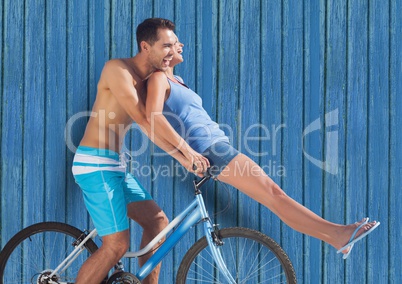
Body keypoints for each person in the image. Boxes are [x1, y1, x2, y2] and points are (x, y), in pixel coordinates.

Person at [144, 38, 380, 260]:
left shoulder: (178, 80)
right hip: (211, 151)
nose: (180, 45)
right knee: (274, 194)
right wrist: (188, 154)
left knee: (274, 196)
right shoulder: (158, 78)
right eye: (173, 43)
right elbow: (153, 117)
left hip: (217, 147)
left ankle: (335, 237)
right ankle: (338, 234)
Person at [72, 18, 209, 284]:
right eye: (165, 45)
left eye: (175, 45)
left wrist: (184, 159)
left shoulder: (149, 82)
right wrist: (188, 154)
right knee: (116, 245)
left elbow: (152, 128)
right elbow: (146, 121)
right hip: (94, 164)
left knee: (158, 225)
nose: (172, 51)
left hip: (115, 166)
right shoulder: (117, 69)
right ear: (145, 47)